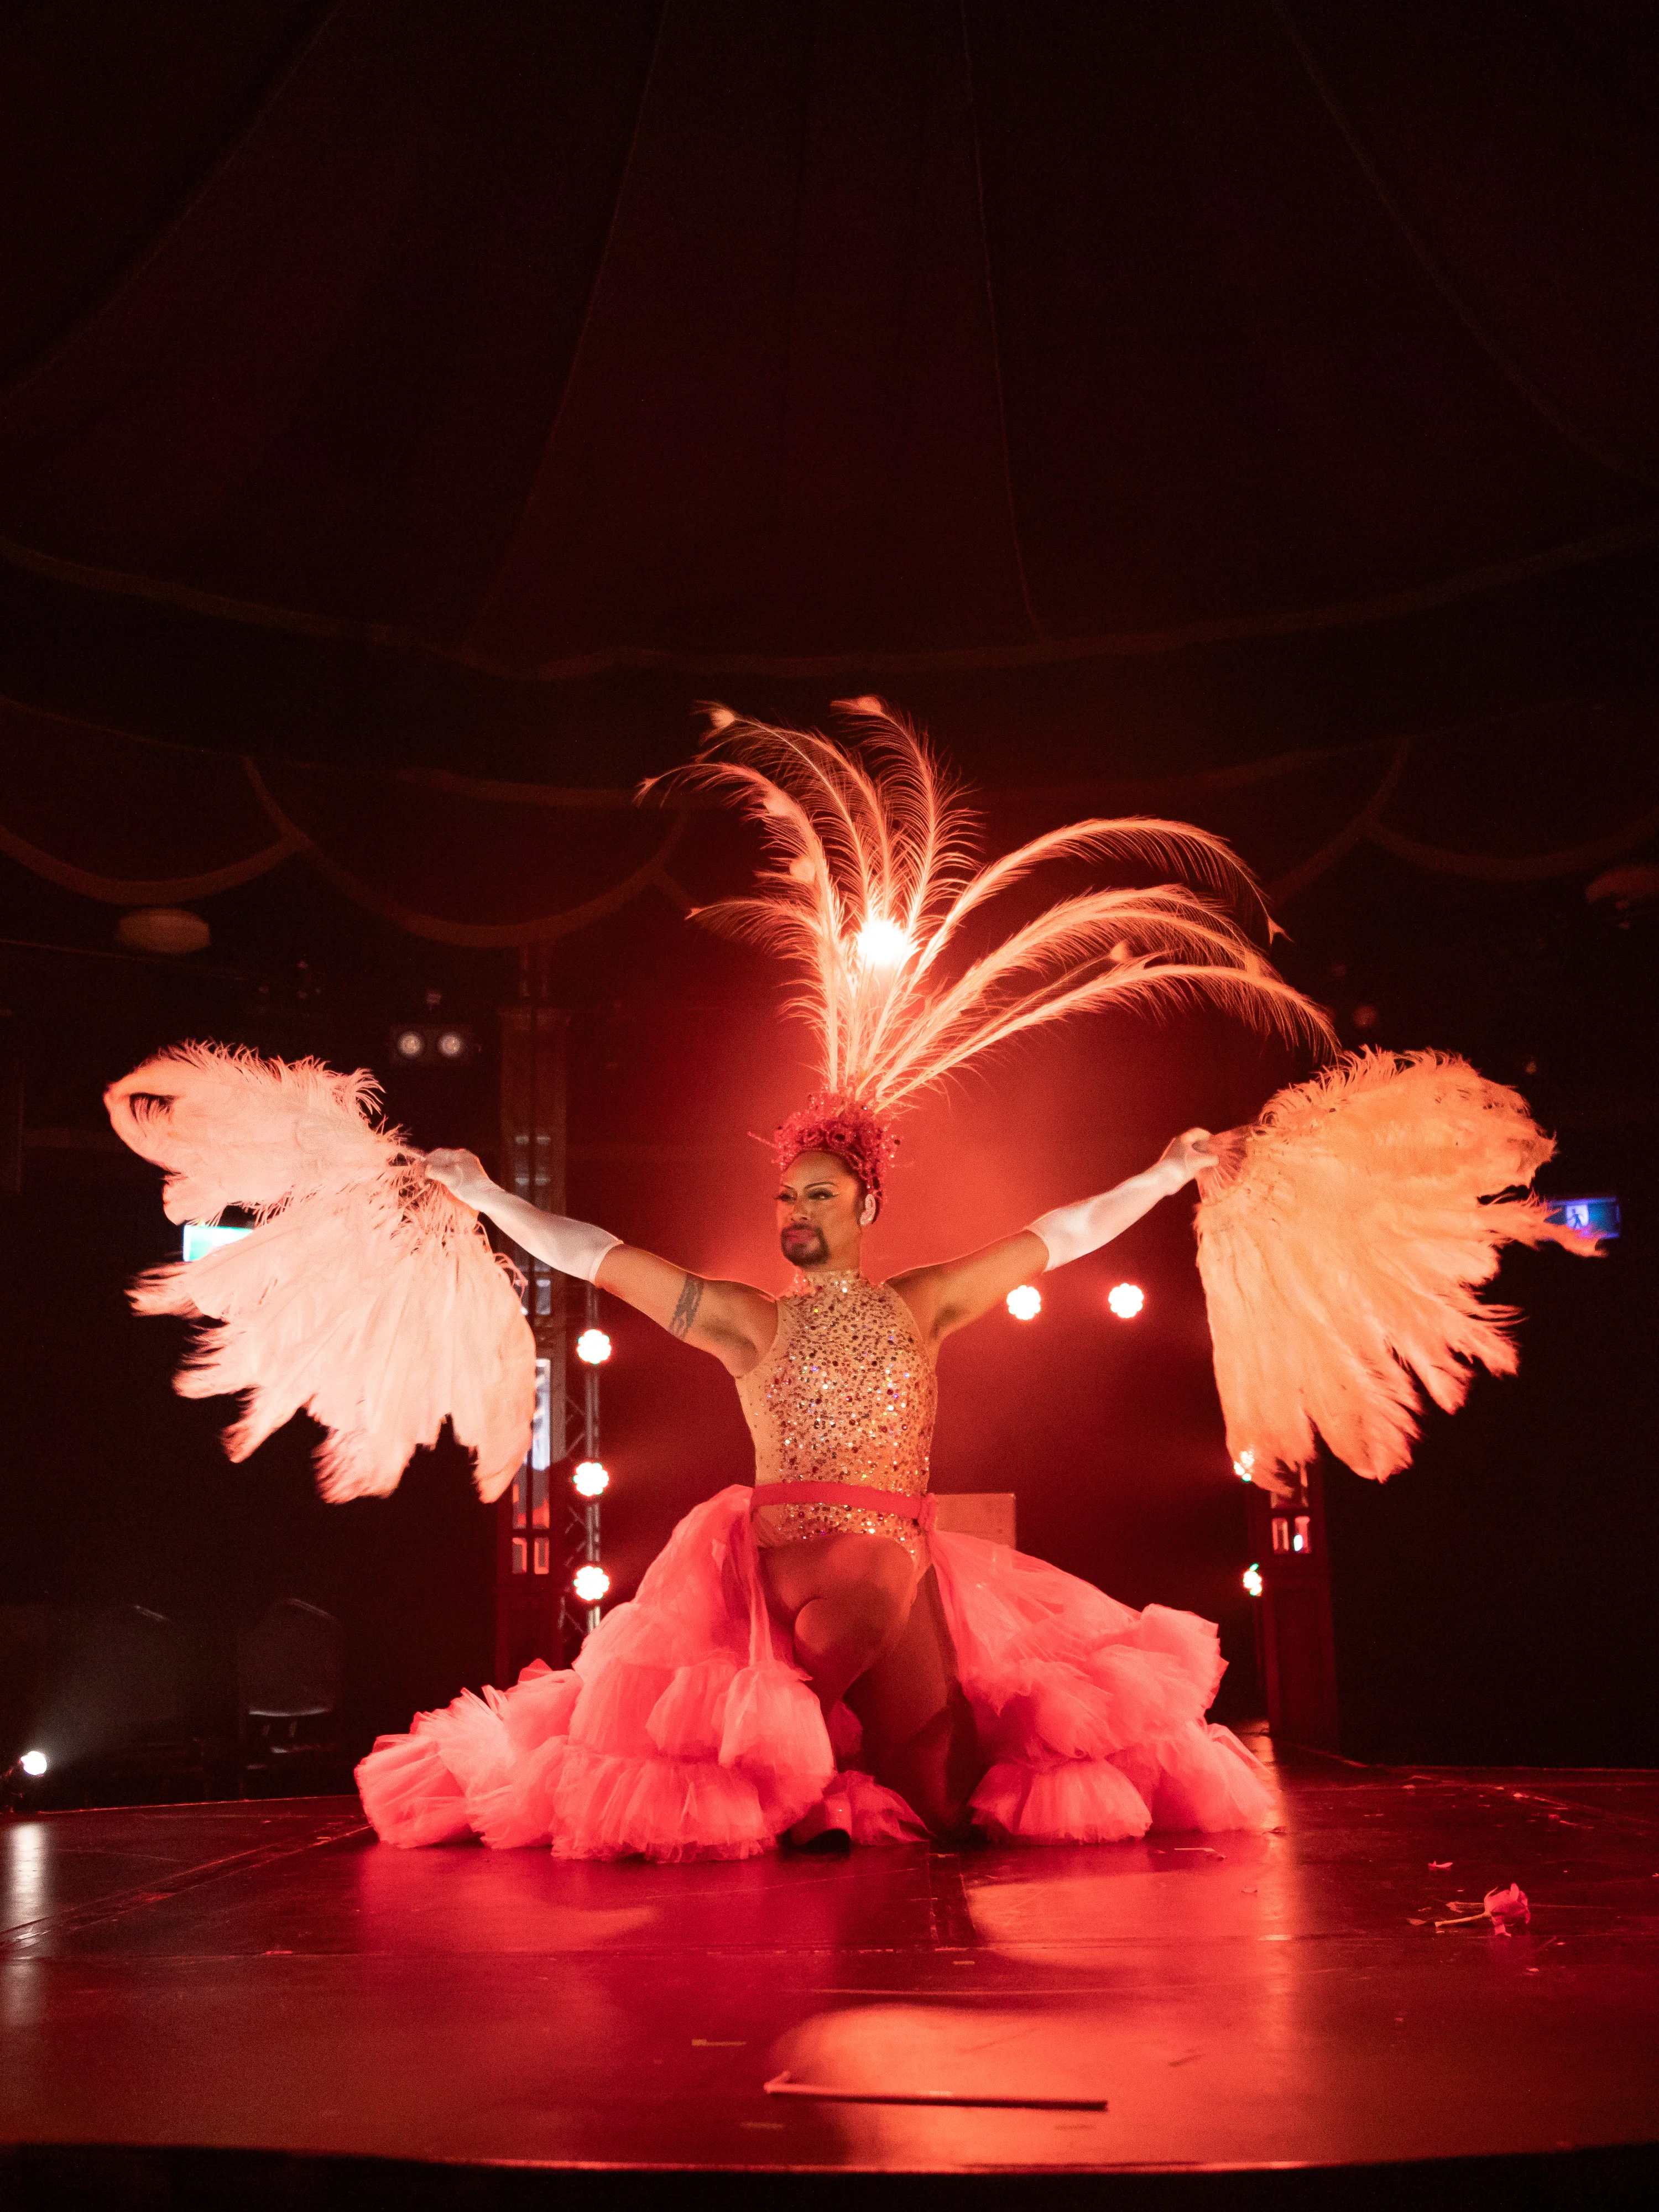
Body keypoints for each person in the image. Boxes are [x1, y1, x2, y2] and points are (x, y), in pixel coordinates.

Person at [354, 702, 1312, 1859]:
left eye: (816, 1196)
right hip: (792, 1565)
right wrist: (495, 1196)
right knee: (845, 1618)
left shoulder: (925, 1302)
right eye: (783, 1198)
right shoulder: (750, 1321)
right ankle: (801, 1740)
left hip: (908, 1558)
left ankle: (843, 1765)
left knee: (948, 1802)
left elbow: (1058, 1234)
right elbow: (596, 1252)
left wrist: (1162, 1175)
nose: (792, 1213)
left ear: (864, 1206)